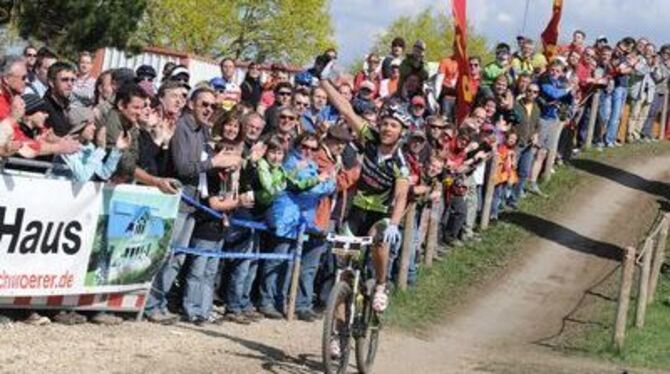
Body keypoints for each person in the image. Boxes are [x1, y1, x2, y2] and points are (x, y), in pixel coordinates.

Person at [144, 87, 241, 323]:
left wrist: (223, 164)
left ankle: (160, 302)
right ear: (191, 104)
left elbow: (202, 165)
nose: (208, 109)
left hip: (194, 203)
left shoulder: (204, 131)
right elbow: (183, 167)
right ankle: (151, 304)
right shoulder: (183, 129)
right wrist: (214, 162)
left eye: (212, 106)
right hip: (177, 201)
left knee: (178, 258)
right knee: (167, 255)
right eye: (204, 104)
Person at [321, 78, 410, 313]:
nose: (387, 128)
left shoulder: (400, 162)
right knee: (343, 269)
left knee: (379, 241)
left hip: (381, 215)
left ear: (401, 132)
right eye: (385, 123)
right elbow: (345, 108)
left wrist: (394, 224)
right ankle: (336, 335)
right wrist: (322, 80)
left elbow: (401, 196)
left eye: (393, 125)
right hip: (357, 211)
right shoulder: (370, 138)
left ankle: (381, 286)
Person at [260, 132, 335, 319]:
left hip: (301, 220)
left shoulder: (311, 165)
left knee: (289, 263)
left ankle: (280, 301)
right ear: (297, 145)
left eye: (312, 148)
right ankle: (266, 300)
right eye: (304, 146)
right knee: (276, 260)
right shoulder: (291, 162)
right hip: (285, 217)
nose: (307, 151)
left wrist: (325, 183)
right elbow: (302, 189)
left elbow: (321, 187)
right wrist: (324, 181)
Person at [55, 106, 128, 181]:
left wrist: (117, 150)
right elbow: (83, 177)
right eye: (90, 124)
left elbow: (104, 173)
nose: (94, 128)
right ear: (80, 126)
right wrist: (100, 149)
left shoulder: (89, 147)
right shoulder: (65, 147)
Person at [43, 62, 76, 136]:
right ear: (51, 82)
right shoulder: (44, 109)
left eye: (72, 80)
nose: (70, 84)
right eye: (65, 80)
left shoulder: (67, 106)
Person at [0, 55, 28, 121]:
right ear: (6, 79)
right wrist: (13, 118)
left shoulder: (14, 100)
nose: (26, 81)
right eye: (23, 78)